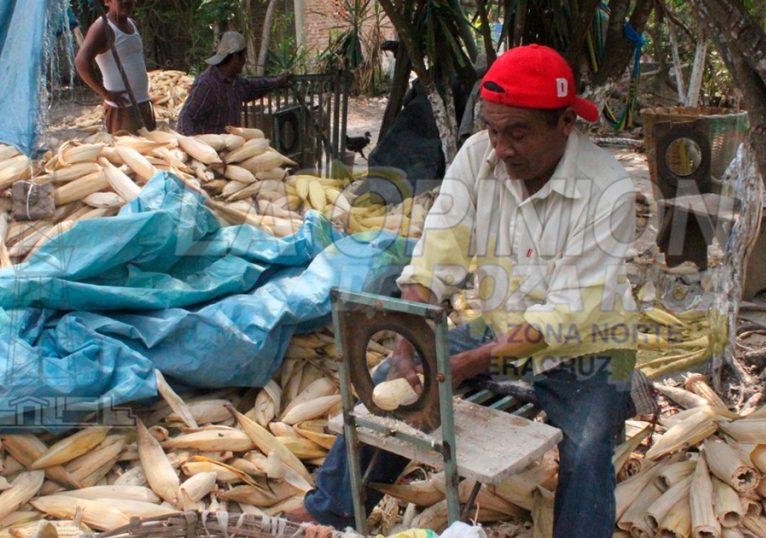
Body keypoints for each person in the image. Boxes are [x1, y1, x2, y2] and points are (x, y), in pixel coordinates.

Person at [288, 44, 640, 537]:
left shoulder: (608, 189)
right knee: (392, 384)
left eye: (518, 133)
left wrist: (468, 363)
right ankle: (330, 511)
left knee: (586, 443)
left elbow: (567, 314)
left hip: (590, 345)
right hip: (501, 328)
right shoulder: (478, 158)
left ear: (565, 123)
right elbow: (436, 256)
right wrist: (409, 339)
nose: (501, 147)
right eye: (493, 130)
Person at [177, 31, 293, 136]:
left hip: (232, 146)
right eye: (243, 56)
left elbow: (253, 87)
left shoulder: (235, 81)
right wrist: (192, 144)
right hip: (211, 148)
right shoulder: (207, 84)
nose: (244, 61)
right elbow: (186, 116)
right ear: (236, 57)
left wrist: (277, 82)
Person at [75, 0, 155, 133]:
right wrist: (105, 93)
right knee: (125, 144)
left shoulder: (133, 24)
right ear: (107, 1)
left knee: (152, 144)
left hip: (143, 102)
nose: (126, 1)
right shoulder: (102, 27)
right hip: (121, 107)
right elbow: (81, 62)